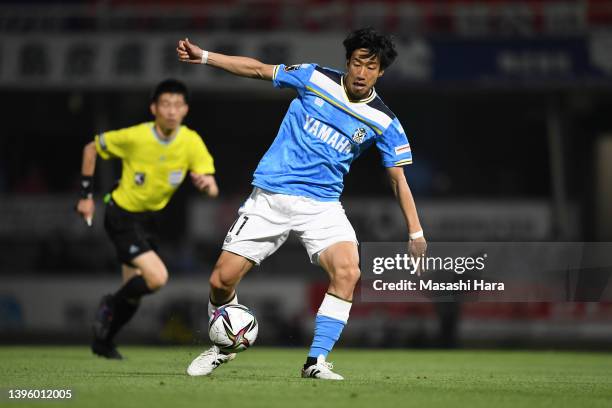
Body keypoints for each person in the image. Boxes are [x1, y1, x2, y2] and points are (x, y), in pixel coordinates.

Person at [176, 27, 427, 380]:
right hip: (271, 197)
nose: (361, 72)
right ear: (348, 62)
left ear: (381, 72)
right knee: (220, 280)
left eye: (371, 67)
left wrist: (415, 232)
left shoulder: (385, 121)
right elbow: (258, 69)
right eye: (357, 63)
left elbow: (398, 179)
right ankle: (225, 345)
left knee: (348, 270)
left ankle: (316, 362)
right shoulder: (314, 77)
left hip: (321, 206)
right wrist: (204, 56)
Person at [75, 79, 219, 359]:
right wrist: (85, 195)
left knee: (134, 292)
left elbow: (212, 187)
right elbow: (90, 149)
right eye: (165, 104)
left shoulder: (191, 142)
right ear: (154, 108)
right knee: (157, 277)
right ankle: (109, 304)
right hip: (121, 215)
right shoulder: (136, 137)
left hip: (149, 221)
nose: (171, 111)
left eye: (177, 105)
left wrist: (206, 186)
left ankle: (103, 342)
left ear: (185, 109)